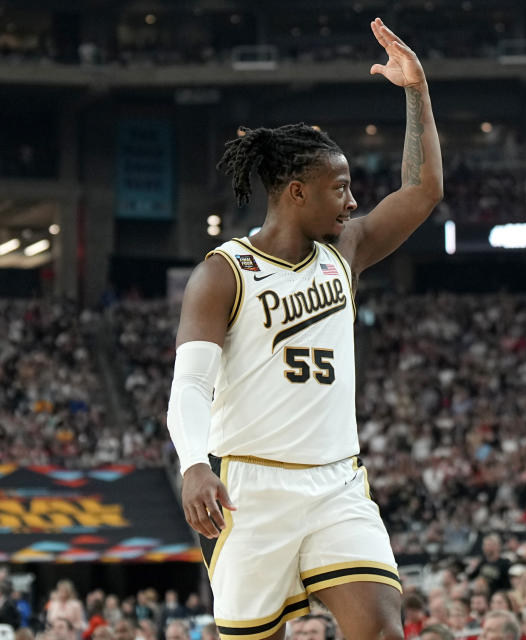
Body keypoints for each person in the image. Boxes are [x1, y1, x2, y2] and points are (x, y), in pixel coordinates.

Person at [165, 17, 442, 640]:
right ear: (295, 191)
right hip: (252, 489)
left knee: (381, 629)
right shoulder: (224, 273)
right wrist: (191, 464)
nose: (351, 202)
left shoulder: (346, 250)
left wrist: (416, 91)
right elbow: (190, 387)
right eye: (339, 188)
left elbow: (423, 190)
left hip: (336, 480)